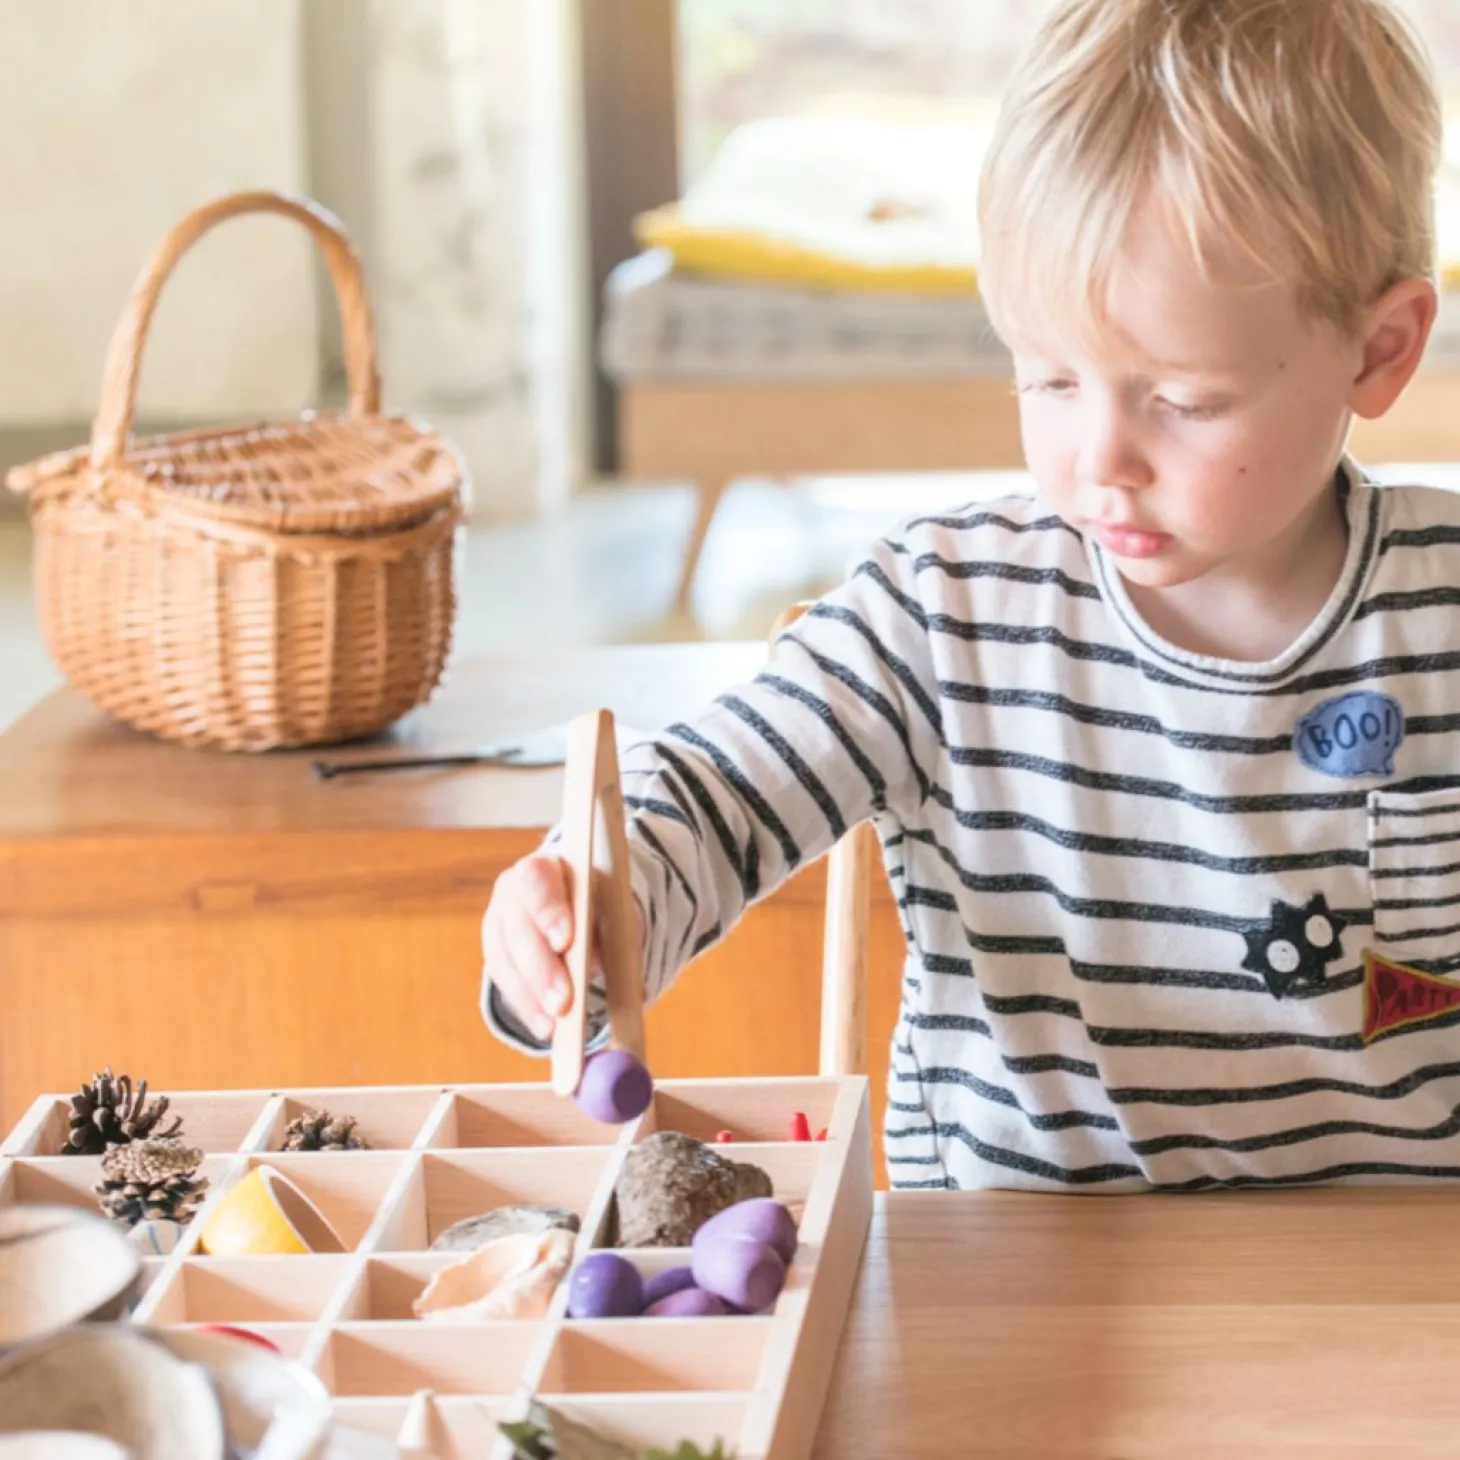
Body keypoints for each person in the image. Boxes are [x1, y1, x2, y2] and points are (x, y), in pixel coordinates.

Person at [481, 0, 1460, 1192]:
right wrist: (595, 892)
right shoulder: (940, 610)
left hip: (1402, 1293)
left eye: (1184, 400)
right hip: (1012, 1281)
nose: (1098, 458)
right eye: (1045, 377)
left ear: (1378, 350)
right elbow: (712, 789)